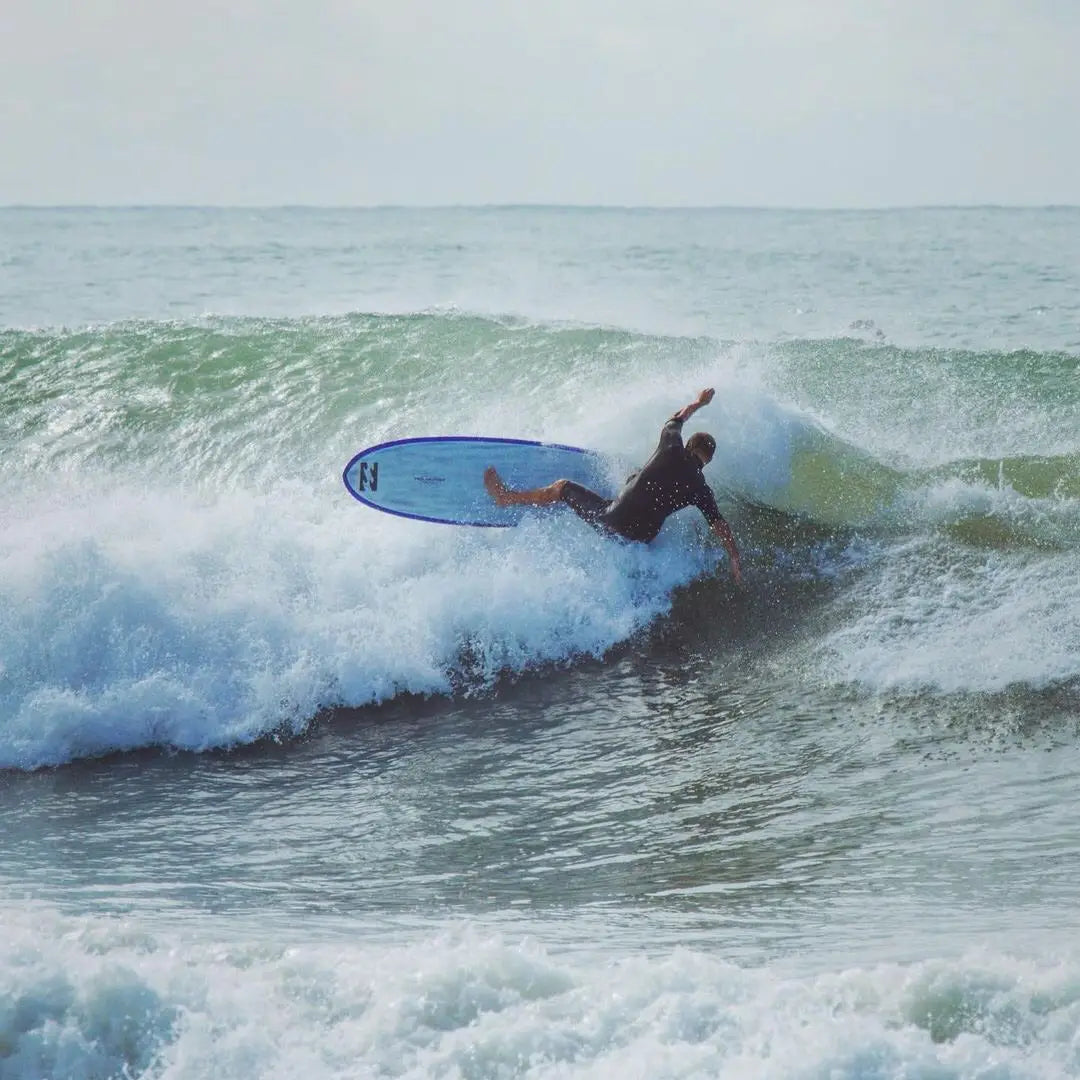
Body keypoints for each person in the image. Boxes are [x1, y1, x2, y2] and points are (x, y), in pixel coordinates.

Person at [484, 388, 743, 585]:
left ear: (689, 446)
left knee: (562, 487)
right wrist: (734, 558)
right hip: (642, 539)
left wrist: (699, 403)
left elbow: (678, 417)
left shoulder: (672, 446)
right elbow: (720, 525)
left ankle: (506, 497)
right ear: (706, 462)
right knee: (634, 477)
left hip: (614, 521)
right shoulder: (702, 489)